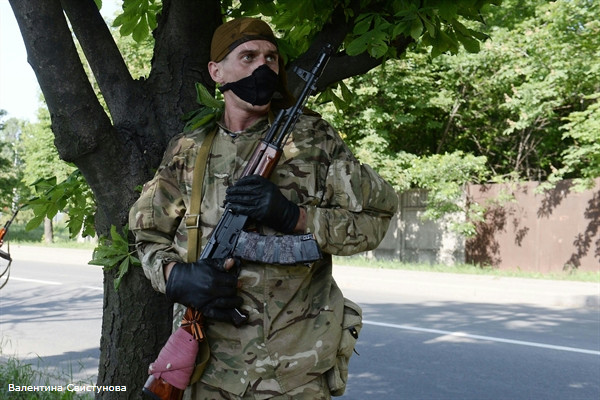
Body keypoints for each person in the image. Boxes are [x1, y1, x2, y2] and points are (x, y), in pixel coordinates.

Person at [129, 17, 398, 400]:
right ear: (216, 71)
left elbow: (376, 219)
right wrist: (175, 276)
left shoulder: (312, 140)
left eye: (271, 58)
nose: (263, 66)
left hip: (295, 373)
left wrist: (296, 217)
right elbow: (148, 235)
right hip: (208, 369)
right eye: (248, 56)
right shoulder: (188, 151)